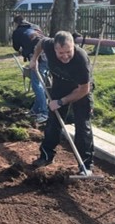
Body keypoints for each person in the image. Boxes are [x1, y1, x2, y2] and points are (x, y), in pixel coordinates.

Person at [29, 31, 94, 171]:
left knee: (83, 126)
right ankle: (46, 156)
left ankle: (86, 165)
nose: (65, 56)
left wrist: (61, 102)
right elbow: (40, 43)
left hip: (81, 89)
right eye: (61, 53)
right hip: (60, 85)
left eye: (68, 52)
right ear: (54, 49)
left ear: (73, 46)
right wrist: (34, 58)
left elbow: (84, 89)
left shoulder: (81, 59)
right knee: (53, 123)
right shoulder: (49, 44)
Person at [12, 15, 48, 123]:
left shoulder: (17, 32)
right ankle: (35, 110)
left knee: (36, 85)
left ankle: (44, 113)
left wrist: (23, 49)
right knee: (41, 84)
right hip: (50, 54)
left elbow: (16, 47)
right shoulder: (35, 26)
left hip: (38, 57)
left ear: (16, 23)